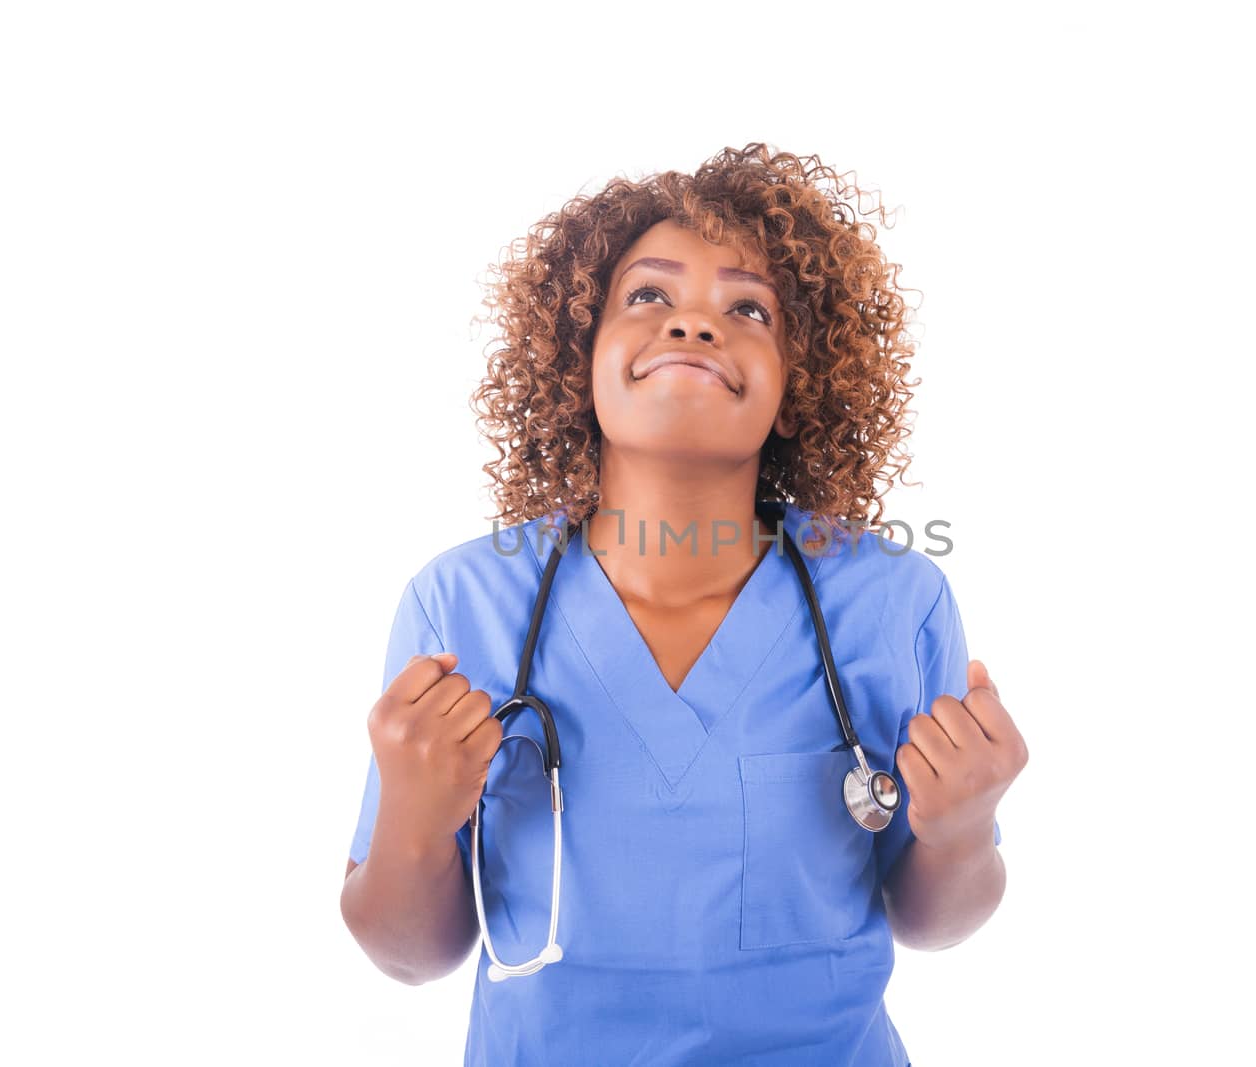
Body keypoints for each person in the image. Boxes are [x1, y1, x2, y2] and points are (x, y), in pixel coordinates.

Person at [339, 143, 1029, 1066]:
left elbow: (933, 921)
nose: (695, 326)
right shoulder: (462, 605)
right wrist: (413, 824)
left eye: (747, 308)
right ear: (579, 354)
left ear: (795, 387)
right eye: (648, 297)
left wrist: (961, 832)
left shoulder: (891, 601)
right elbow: (410, 953)